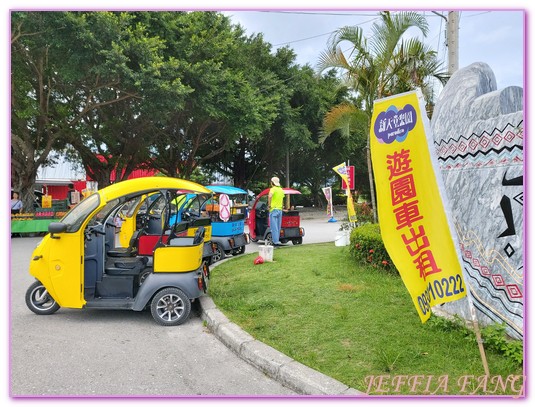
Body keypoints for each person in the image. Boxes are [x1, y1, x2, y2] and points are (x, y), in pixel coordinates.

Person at [267, 176, 285, 246]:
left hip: (273, 209)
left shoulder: (272, 189)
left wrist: (269, 205)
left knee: (273, 227)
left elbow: (270, 196)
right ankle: (277, 240)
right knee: (278, 226)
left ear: (272, 183)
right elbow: (282, 200)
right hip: (280, 210)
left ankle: (275, 242)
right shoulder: (281, 190)